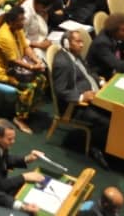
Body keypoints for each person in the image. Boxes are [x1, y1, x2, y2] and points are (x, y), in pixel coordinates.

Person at [51, 29, 111, 166]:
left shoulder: (76, 55)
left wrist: (100, 81)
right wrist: (81, 97)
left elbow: (88, 72)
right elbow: (60, 90)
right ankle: (94, 148)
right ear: (67, 43)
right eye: (78, 41)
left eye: (82, 41)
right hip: (75, 107)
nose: (82, 45)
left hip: (94, 94)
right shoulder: (63, 63)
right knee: (106, 120)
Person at [0, 7, 47, 134]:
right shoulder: (5, 37)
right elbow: (13, 61)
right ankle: (19, 118)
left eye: (23, 18)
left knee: (41, 79)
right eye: (21, 20)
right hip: (1, 72)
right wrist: (31, 67)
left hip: (14, 69)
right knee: (28, 87)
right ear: (12, 22)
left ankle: (29, 108)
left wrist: (37, 61)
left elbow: (26, 47)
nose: (23, 22)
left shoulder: (17, 29)